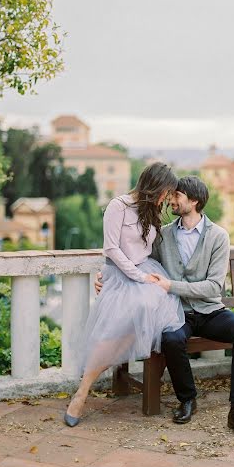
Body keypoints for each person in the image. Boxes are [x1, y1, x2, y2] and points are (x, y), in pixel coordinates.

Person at [95, 176, 234, 438]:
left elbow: (214, 287)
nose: (171, 199)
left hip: (209, 310)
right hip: (176, 312)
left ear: (194, 201)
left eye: (177, 195)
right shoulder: (164, 234)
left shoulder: (218, 237)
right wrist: (106, 276)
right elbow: (139, 263)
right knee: (171, 338)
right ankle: (187, 399)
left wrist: (172, 286)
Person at [64, 162, 185, 427]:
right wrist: (117, 276)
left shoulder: (151, 211)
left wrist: (147, 276)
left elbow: (146, 250)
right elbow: (112, 249)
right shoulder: (118, 206)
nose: (166, 198)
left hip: (143, 274)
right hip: (122, 276)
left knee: (147, 311)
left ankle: (125, 377)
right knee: (109, 333)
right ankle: (82, 392)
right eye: (165, 192)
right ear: (153, 186)